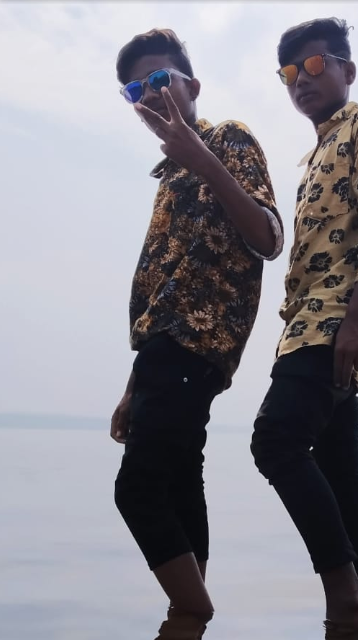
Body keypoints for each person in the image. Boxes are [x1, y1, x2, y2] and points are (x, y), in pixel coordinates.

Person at [110, 28, 283, 639]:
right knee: (181, 479)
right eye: (136, 89)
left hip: (198, 344)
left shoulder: (227, 139)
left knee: (137, 489)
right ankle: (190, 622)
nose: (151, 94)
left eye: (160, 79)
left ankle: (192, 614)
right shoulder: (166, 178)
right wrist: (133, 385)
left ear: (193, 86)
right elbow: (161, 293)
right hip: (162, 351)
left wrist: (200, 157)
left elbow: (268, 238)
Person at [250, 17, 358, 635]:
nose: (300, 80)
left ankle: (345, 597)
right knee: (340, 457)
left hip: (338, 315)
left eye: (314, 65)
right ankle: (354, 606)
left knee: (276, 441)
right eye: (290, 72)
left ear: (347, 69)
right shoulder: (316, 152)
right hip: (309, 318)